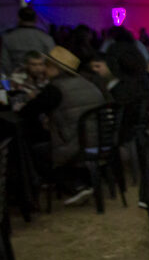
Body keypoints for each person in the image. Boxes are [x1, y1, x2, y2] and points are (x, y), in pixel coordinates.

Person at [18, 46, 106, 204]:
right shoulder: (88, 83)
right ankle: (80, 181)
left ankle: (74, 184)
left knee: (34, 150)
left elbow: (28, 112)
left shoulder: (55, 89)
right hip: (99, 140)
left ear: (55, 68)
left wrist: (27, 102)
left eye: (46, 65)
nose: (43, 69)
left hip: (75, 144)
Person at [1, 6, 55, 74]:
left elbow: (5, 62)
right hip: (40, 76)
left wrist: (12, 75)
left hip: (16, 75)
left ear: (19, 19)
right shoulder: (46, 38)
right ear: (35, 20)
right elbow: (52, 60)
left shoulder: (8, 37)